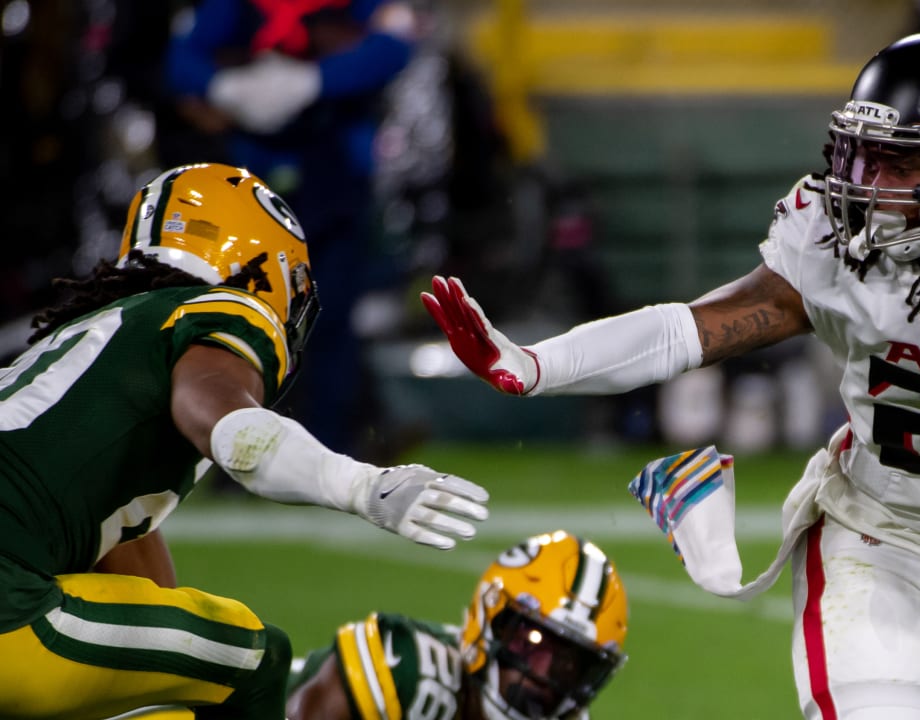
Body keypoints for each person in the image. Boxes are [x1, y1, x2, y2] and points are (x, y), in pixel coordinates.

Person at [422, 33, 920, 720]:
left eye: (903, 161)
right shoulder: (836, 235)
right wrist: (537, 362)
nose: (869, 184)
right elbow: (692, 327)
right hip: (876, 541)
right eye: (865, 156)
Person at [0, 162, 489, 718]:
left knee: (173, 690)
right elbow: (221, 419)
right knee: (256, 658)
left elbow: (138, 573)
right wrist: (359, 484)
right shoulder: (222, 310)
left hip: (17, 584)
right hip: (7, 604)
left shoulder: (95, 343)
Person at [164, 0, 419, 456]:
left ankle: (327, 444)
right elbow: (182, 60)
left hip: (334, 174)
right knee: (244, 318)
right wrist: (226, 87)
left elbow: (394, 47)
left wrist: (314, 81)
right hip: (252, 179)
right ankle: (239, 445)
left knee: (331, 317)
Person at [109, 530, 629, 720]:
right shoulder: (410, 669)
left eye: (568, 661)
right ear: (489, 620)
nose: (542, 673)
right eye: (532, 641)